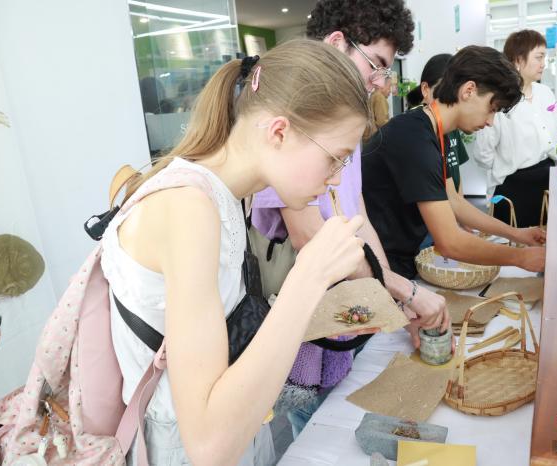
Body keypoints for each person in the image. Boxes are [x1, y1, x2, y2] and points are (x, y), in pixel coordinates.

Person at [102, 39, 370, 465]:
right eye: (334, 159)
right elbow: (209, 446)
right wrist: (310, 275)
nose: (336, 179)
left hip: (245, 429)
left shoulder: (229, 195)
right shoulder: (189, 208)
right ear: (279, 132)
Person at [251, 0, 450, 439]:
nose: (379, 82)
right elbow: (309, 239)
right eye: (375, 65)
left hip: (348, 299)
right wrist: (402, 290)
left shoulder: (344, 114)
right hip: (305, 311)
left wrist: (391, 296)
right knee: (316, 432)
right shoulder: (283, 118)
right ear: (338, 42)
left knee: (347, 415)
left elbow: (357, 214)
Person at [362, 46, 547, 281]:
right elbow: (450, 242)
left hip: (399, 259)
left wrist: (517, 234)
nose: (490, 122)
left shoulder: (439, 132)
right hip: (379, 267)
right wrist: (520, 257)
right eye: (491, 109)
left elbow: (455, 202)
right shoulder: (413, 139)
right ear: (469, 90)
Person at [468, 30, 557, 227]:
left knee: (547, 240)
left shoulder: (546, 93)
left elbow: (554, 139)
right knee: (513, 242)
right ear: (518, 59)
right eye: (539, 57)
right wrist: (506, 164)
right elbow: (483, 153)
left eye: (544, 57)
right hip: (514, 187)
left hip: (547, 182)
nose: (543, 63)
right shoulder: (500, 98)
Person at [407, 53, 469, 194]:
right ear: (425, 89)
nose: (450, 101)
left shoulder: (450, 126)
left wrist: (460, 200)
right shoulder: (415, 130)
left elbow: (456, 172)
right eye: (444, 92)